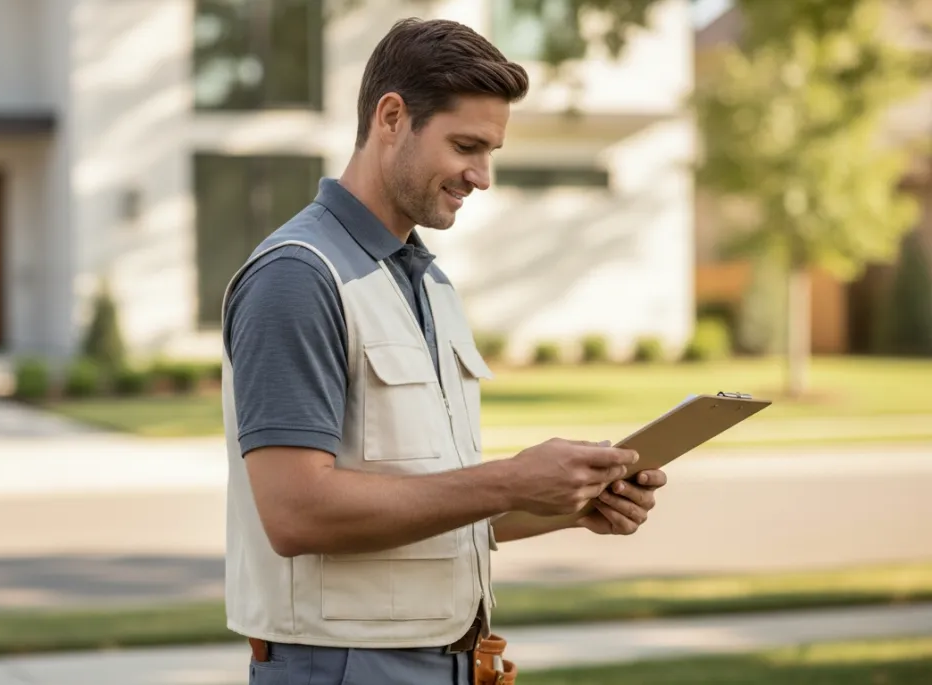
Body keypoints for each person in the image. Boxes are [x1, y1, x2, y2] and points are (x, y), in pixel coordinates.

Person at [218, 16, 669, 685]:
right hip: (343, 670)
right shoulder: (299, 275)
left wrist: (571, 504)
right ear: (392, 117)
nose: (481, 176)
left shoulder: (427, 282)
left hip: (449, 663)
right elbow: (295, 511)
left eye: (490, 152)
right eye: (466, 145)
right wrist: (512, 478)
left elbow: (434, 504)